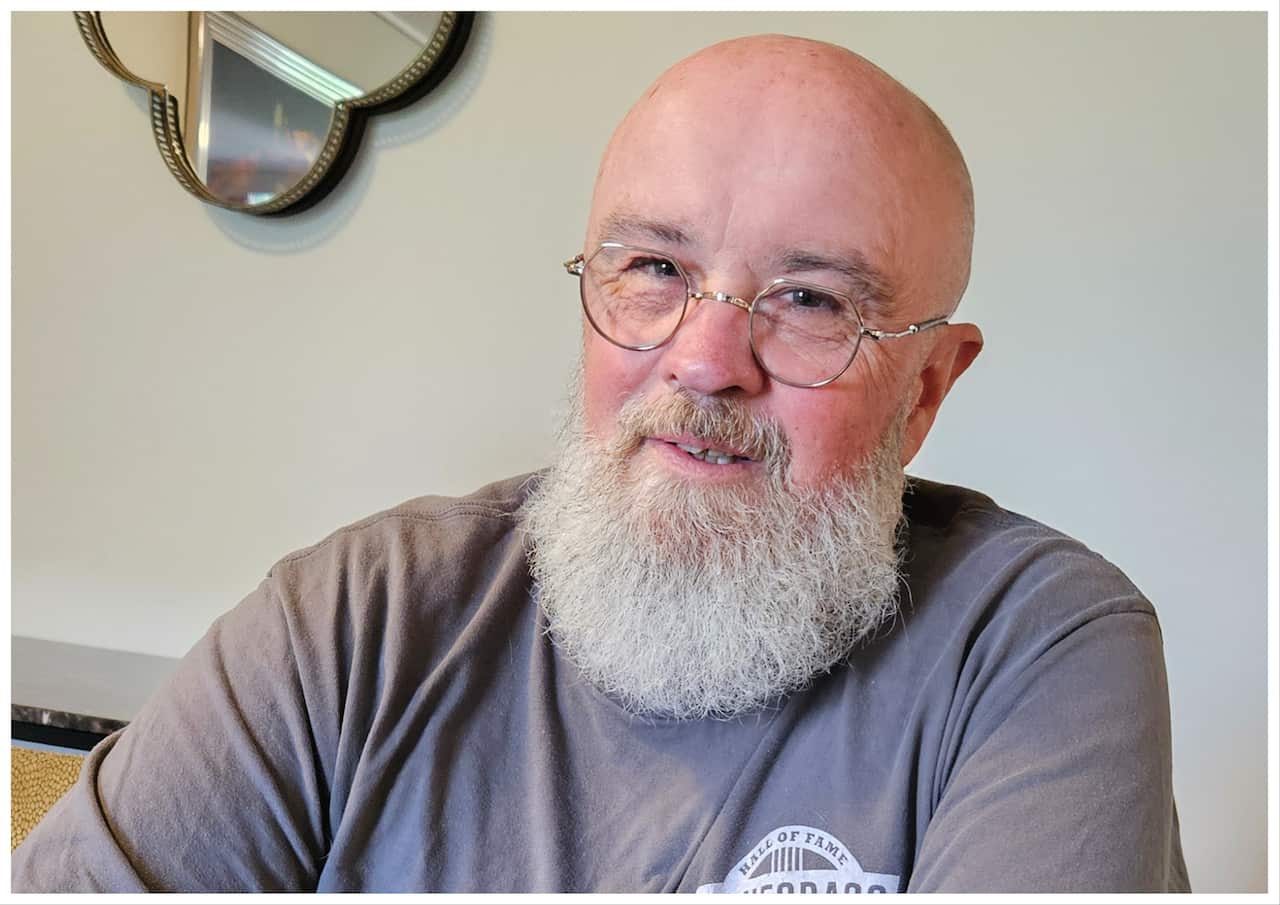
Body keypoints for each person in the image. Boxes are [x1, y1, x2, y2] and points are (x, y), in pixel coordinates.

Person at [11, 35, 1189, 893]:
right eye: (653, 269)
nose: (705, 360)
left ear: (925, 387)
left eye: (809, 299)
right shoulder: (352, 620)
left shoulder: (1034, 645)